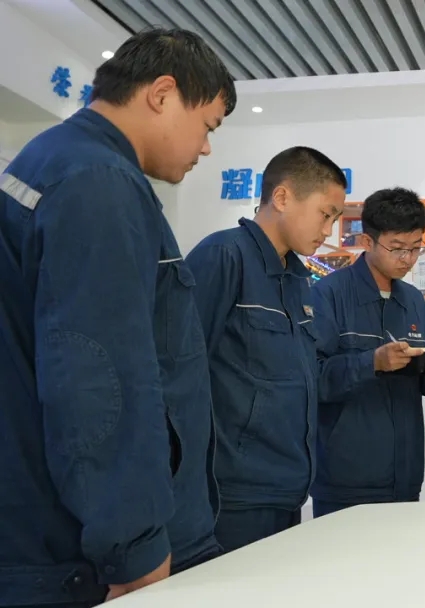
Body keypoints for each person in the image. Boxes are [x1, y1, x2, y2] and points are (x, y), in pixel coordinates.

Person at [0, 28, 235, 606]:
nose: (206, 148)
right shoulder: (97, 182)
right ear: (162, 93)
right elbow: (98, 375)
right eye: (207, 126)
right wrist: (134, 543)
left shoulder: (56, 160)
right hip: (79, 556)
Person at [185, 147, 347, 552]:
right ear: (282, 197)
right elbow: (178, 373)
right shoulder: (223, 256)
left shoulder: (297, 278)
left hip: (286, 489)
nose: (328, 230)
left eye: (334, 219)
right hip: (231, 494)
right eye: (325, 214)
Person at [310, 187, 425, 516]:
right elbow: (312, 379)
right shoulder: (328, 294)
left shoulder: (413, 300)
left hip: (406, 475)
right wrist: (372, 362)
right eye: (397, 248)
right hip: (345, 479)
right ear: (367, 242)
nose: (408, 259)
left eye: (416, 248)